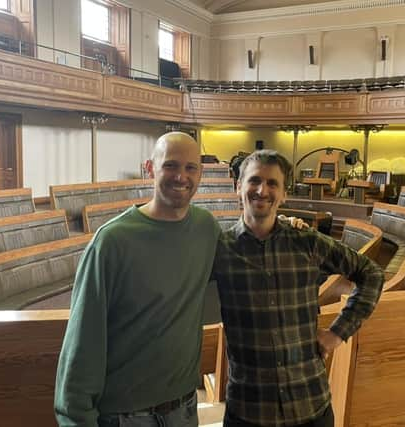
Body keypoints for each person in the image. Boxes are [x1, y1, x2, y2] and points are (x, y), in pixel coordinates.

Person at [54, 131, 220, 427]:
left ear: (201, 173)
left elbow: (249, 261)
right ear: (149, 168)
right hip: (124, 416)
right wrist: (76, 418)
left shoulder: (206, 229)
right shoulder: (113, 241)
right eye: (170, 165)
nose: (181, 176)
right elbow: (83, 338)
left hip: (184, 409)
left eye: (190, 167)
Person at [212, 150, 385, 427]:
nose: (262, 190)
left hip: (310, 404)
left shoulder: (308, 242)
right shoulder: (220, 249)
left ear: (284, 195)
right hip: (249, 409)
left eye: (272, 183)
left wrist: (338, 333)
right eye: (254, 181)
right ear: (238, 187)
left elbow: (371, 273)